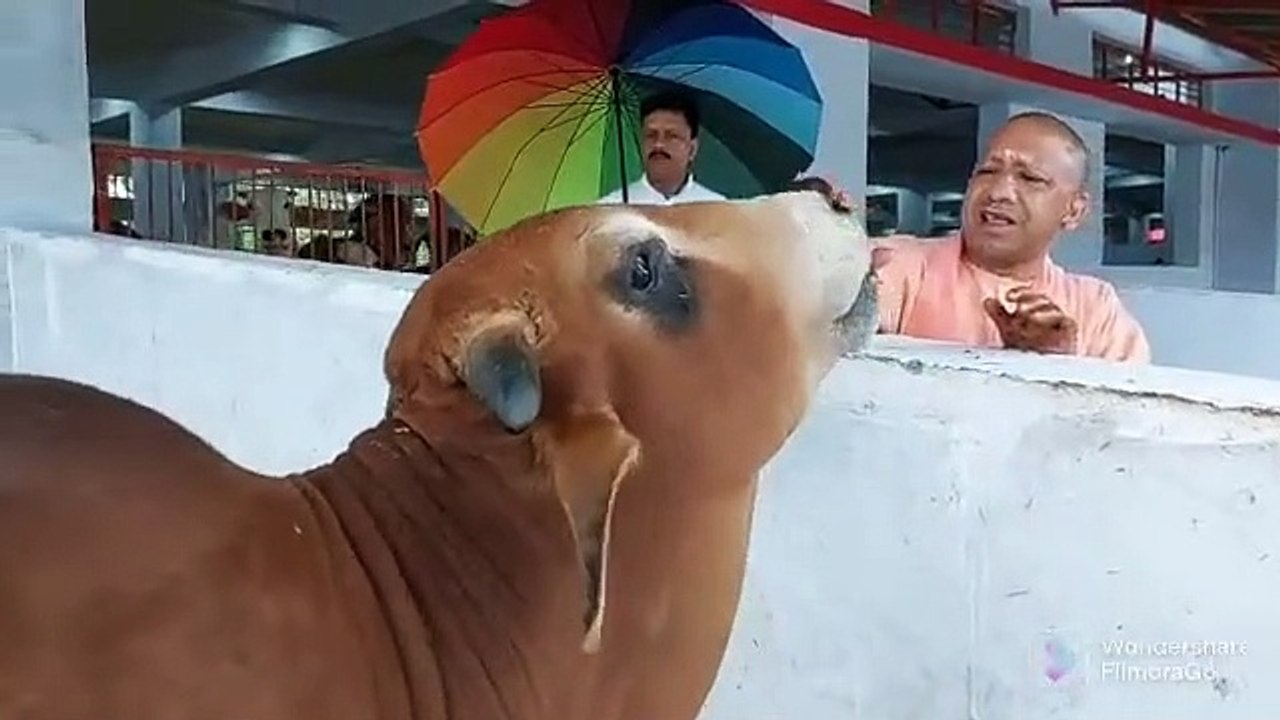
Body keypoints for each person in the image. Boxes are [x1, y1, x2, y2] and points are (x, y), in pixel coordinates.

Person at [870, 111, 1151, 363]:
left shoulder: (1096, 308)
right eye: (988, 171)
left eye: (1030, 178)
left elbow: (1128, 414)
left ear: (1073, 210)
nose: (998, 192)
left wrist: (1058, 362)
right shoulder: (896, 266)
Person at [598, 90, 725, 205]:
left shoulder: (717, 209)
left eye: (671, 136)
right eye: (651, 135)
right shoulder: (612, 209)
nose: (659, 144)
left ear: (692, 149)